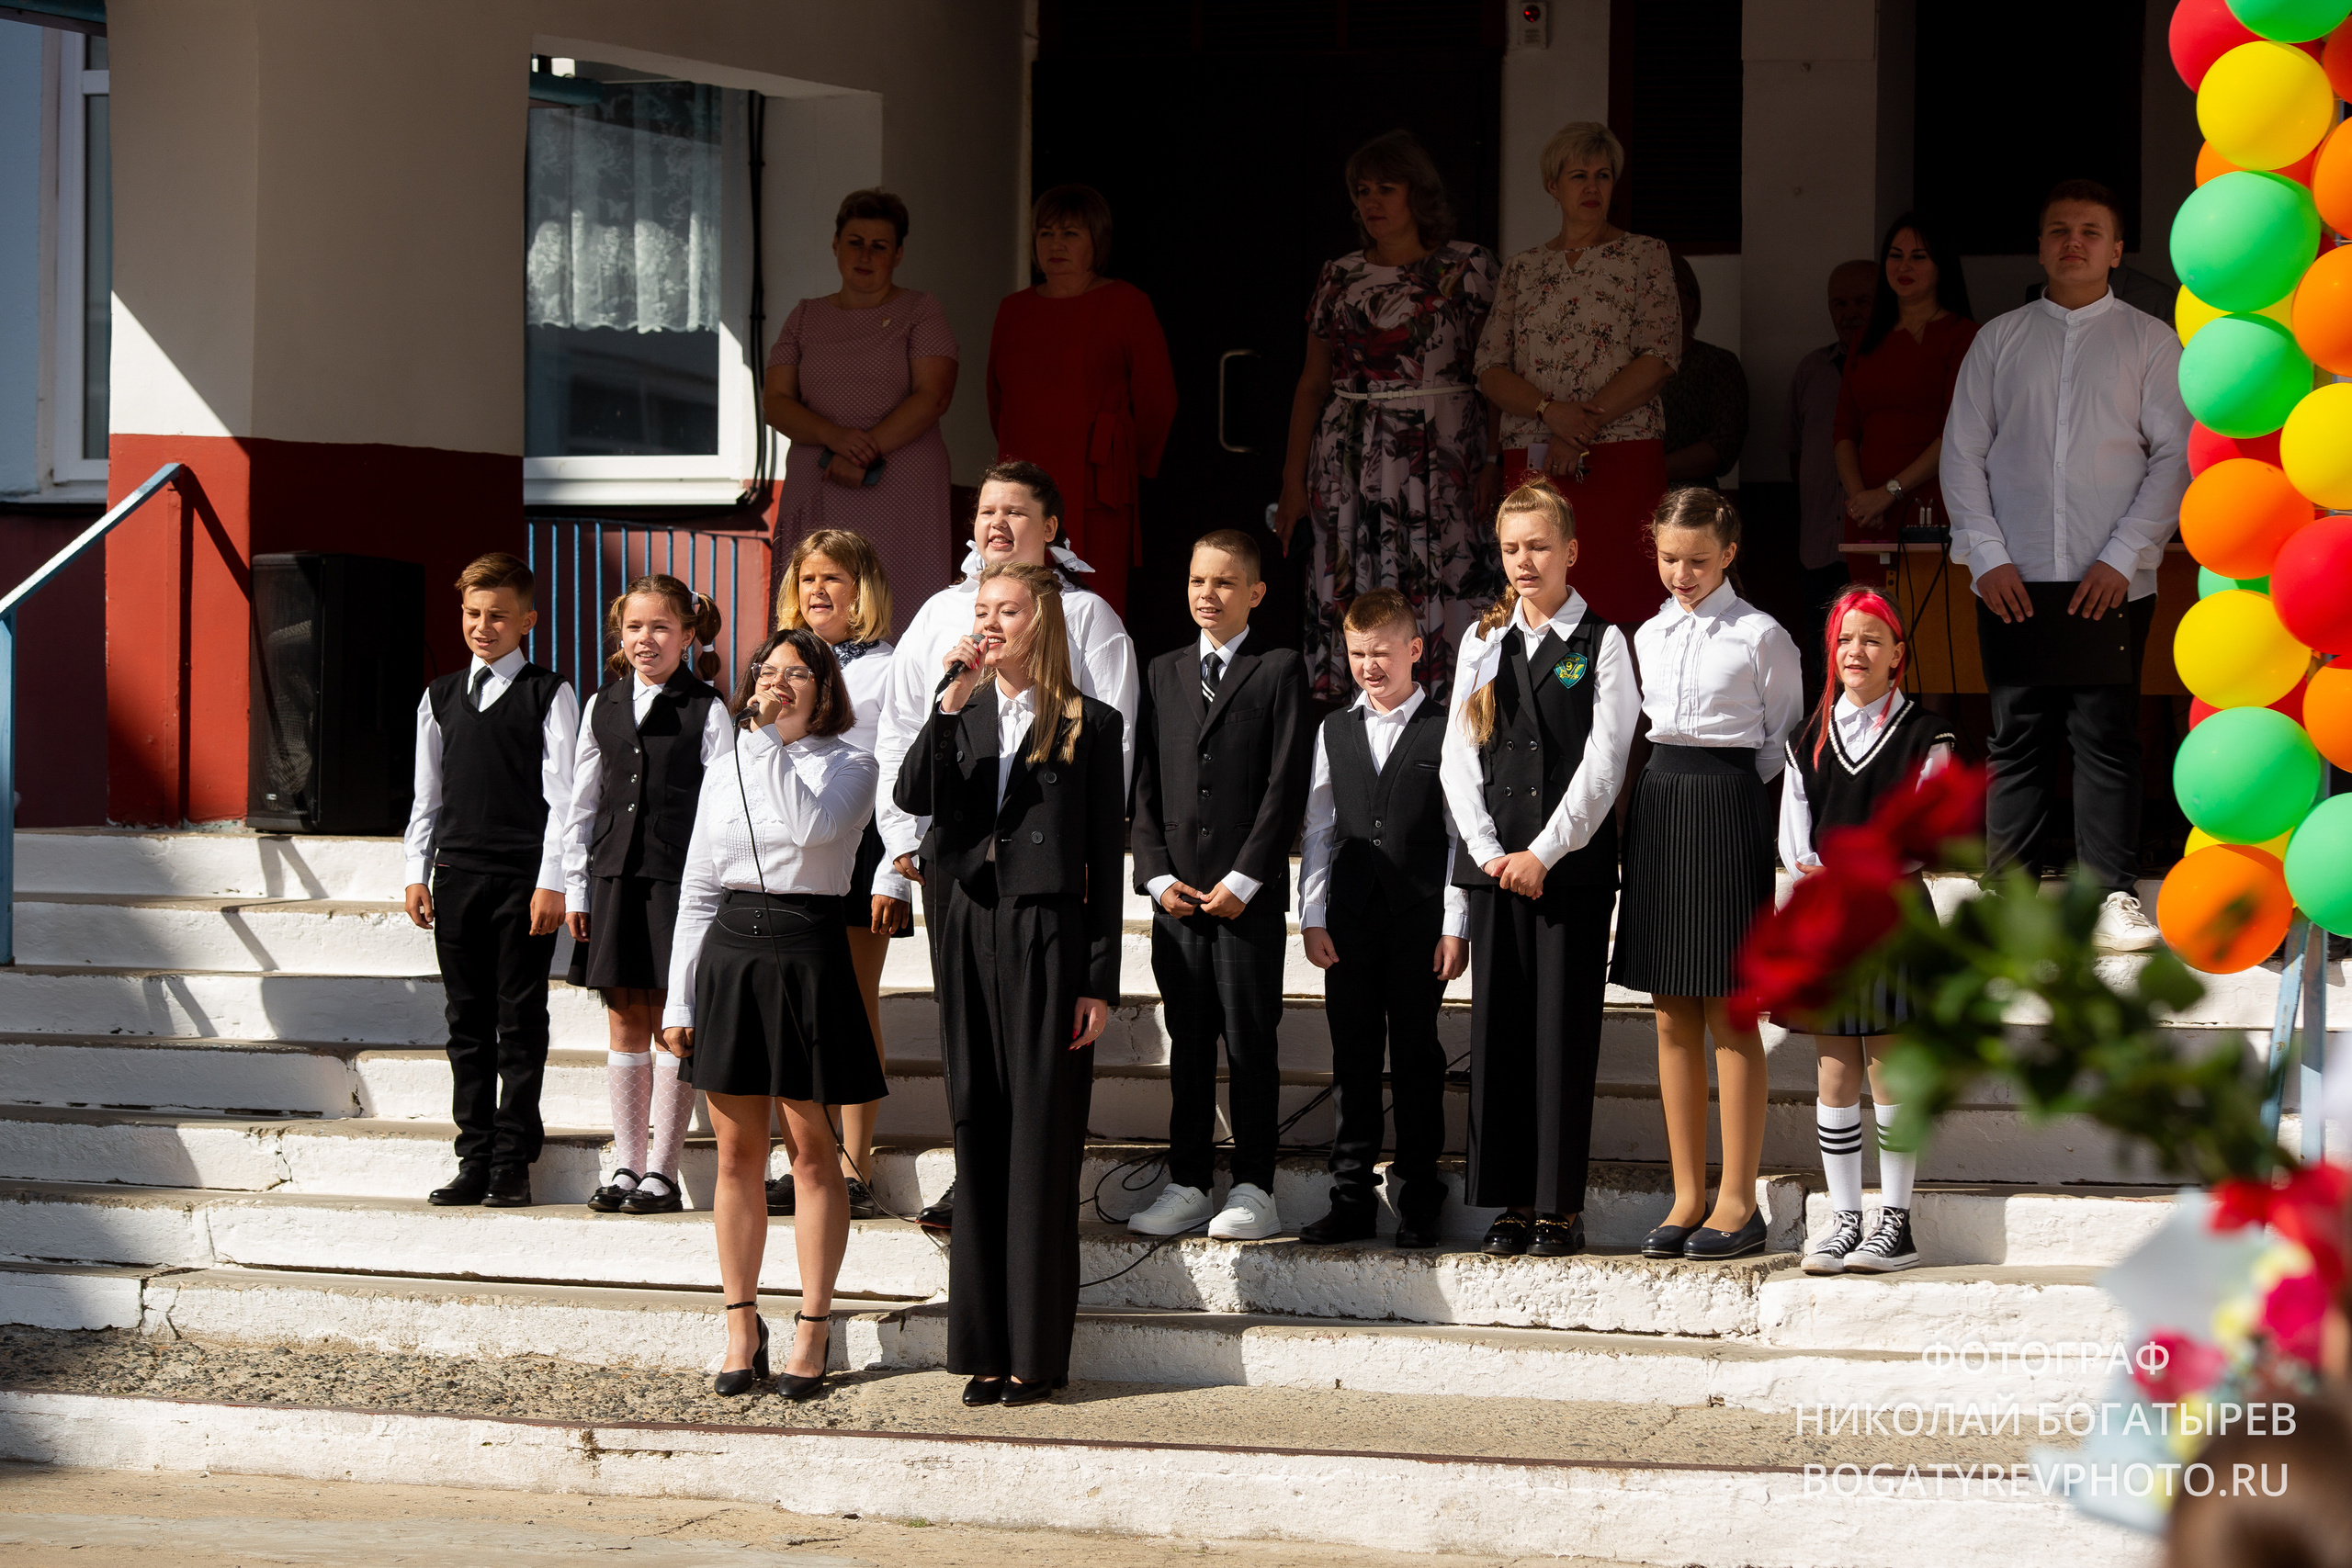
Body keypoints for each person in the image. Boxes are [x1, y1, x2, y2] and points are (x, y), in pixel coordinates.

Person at [871, 458, 1139, 1234]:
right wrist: (902, 843)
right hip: (953, 862)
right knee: (969, 1033)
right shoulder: (937, 617)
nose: (997, 523)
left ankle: (1032, 1182)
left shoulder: (1086, 618)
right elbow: (902, 731)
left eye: (1016, 512)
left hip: (1042, 869)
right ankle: (973, 1174)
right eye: (987, 510)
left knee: (1035, 1048)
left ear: (1051, 528)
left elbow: (1107, 752)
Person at [893, 561, 1125, 1407]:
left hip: (1050, 937)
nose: (990, 622)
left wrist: (1099, 978)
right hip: (968, 931)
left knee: (1040, 1142)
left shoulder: (1088, 723)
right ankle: (983, 1350)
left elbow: (1104, 855)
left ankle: (1037, 1352)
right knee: (979, 1133)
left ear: (1042, 621)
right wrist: (949, 701)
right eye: (981, 609)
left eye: (1007, 610)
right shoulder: (960, 711)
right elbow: (912, 792)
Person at [1941, 178, 2190, 952]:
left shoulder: (2151, 342)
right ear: (2041, 245)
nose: (2073, 242)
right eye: (2059, 230)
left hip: (2110, 576)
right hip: (2012, 574)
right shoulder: (2000, 339)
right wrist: (1986, 556)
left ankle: (2110, 892)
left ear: (2118, 249)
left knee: (2106, 732)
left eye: (2090, 231)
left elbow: (2174, 458)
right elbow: (1962, 453)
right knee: (2017, 734)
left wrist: (2123, 557)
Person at [662, 627, 884, 1400]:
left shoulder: (852, 765)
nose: (779, 682)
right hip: (731, 952)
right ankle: (740, 1323)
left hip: (808, 951)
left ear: (825, 690)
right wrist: (679, 995)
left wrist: (768, 743)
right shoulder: (724, 765)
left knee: (812, 1151)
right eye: (769, 670)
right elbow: (696, 887)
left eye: (798, 673)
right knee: (734, 1155)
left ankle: (814, 1326)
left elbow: (816, 830)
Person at [1441, 478, 1638, 1258]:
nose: (1525, 561)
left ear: (1571, 551)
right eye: (1513, 547)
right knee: (1502, 1032)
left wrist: (1544, 851)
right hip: (1496, 867)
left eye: (1540, 547)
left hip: (1568, 872)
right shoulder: (1482, 643)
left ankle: (1558, 1202)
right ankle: (1511, 1198)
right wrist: (1491, 850)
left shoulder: (1602, 642)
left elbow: (1606, 759)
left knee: (1561, 1032)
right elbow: (1459, 754)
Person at [1611, 489, 1803, 1261]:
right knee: (1668, 1007)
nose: (1681, 573)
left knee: (1729, 1006)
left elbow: (1778, 738)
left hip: (1728, 804)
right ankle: (1687, 1192)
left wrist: (1730, 793)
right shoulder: (1645, 634)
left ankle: (1737, 1197)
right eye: (1668, 558)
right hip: (1659, 799)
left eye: (1697, 559)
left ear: (1729, 554)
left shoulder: (1762, 635)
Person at [1126, 529, 1313, 1242]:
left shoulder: (1277, 669)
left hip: (1245, 900)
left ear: (1256, 593)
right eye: (1199, 581)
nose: (1209, 594)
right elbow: (1144, 781)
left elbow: (1284, 784)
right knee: (1189, 1038)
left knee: (1250, 1040)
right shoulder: (1163, 669)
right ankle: (1188, 1180)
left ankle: (1256, 1185)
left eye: (1226, 583)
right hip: (1178, 898)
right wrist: (1155, 874)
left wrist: (1248, 877)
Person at [1273, 130, 1501, 702]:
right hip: (1351, 460)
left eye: (1386, 188)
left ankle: (1453, 714)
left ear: (1418, 194)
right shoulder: (1340, 275)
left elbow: (1496, 374)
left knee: (1452, 580)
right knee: (1358, 583)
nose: (1371, 202)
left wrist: (1495, 460)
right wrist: (1292, 482)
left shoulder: (1468, 267)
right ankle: (1358, 726)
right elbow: (1311, 383)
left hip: (1443, 452)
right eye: (1362, 190)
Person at [1779, 589, 1958, 1277]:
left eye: (1873, 640)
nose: (1857, 651)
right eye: (1846, 639)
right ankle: (1845, 1218)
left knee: (1887, 1067)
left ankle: (1897, 1223)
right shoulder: (1808, 735)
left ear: (1898, 656)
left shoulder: (1926, 733)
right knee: (1834, 1068)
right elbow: (1796, 831)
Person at [405, 553, 580, 1211]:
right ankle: (473, 1154)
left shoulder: (548, 692)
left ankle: (513, 1158)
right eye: (473, 614)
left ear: (527, 620)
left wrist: (553, 880)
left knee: (520, 1017)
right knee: (466, 1021)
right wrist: (415, 871)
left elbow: (565, 798)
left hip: (520, 881)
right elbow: (428, 796)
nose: (484, 626)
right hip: (456, 876)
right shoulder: (440, 695)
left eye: (499, 615)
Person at [1296, 587, 1469, 1248]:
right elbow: (1319, 826)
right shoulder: (1333, 730)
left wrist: (1456, 922)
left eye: (1383, 652)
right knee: (1354, 1055)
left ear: (1415, 650)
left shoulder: (1445, 727)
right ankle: (1350, 1197)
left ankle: (1421, 1194)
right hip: (1349, 917)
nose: (1370, 665)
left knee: (1418, 1054)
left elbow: (1459, 833)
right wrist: (1312, 914)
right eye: (1358, 652)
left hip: (1420, 915)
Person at [561, 575, 733, 1217]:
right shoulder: (603, 703)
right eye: (634, 627)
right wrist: (575, 882)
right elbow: (581, 801)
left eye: (660, 626)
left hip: (677, 882)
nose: (645, 638)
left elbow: (723, 805)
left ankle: (663, 1168)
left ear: (688, 635)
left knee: (670, 1017)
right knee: (624, 1017)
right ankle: (628, 1160)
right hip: (613, 878)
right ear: (620, 633)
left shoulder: (706, 708)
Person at [1476, 121, 1680, 627]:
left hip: (1622, 453)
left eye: (1603, 175)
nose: (1592, 188)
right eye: (1578, 175)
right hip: (1537, 459)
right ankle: (1561, 702)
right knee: (1546, 596)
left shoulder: (1645, 255)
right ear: (1553, 185)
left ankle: (1625, 709)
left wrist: (1580, 427)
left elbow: (1660, 357)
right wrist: (1552, 414)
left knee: (1626, 592)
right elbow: (1488, 369)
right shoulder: (1522, 269)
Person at [769, 529, 902, 1222]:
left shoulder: (886, 666)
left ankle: (856, 1161)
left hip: (861, 845)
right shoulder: (781, 662)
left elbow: (898, 770)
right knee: (799, 1004)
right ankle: (808, 1158)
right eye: (808, 579)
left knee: (852, 1001)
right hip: (793, 842)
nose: (817, 591)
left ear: (863, 593)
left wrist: (892, 869)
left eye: (834, 580)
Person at [763, 188, 959, 630]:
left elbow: (934, 396)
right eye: (855, 242)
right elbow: (775, 403)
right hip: (820, 479)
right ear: (836, 246)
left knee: (899, 603)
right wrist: (836, 438)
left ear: (899, 253)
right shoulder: (804, 316)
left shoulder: (921, 310)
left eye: (879, 246)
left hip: (901, 485)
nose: (865, 255)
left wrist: (863, 452)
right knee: (813, 603)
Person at [985, 184, 1178, 617]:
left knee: (1094, 602)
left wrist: (1126, 461)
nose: (1055, 244)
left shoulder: (1127, 303)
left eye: (1070, 234)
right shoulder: (1013, 310)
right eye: (1046, 233)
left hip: (1096, 482)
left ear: (1098, 242)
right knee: (1016, 597)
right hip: (1023, 476)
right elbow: (996, 398)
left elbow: (1157, 400)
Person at [1833, 212, 1979, 590]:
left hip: (1932, 505)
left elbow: (1958, 431)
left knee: (1931, 630)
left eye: (1919, 256)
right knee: (1870, 626)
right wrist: (1860, 501)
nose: (1904, 266)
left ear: (1941, 265)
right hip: (1867, 514)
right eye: (1896, 256)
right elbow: (1844, 430)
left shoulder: (1964, 336)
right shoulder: (1864, 340)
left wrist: (1890, 492)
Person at [1787, 259, 1879, 691]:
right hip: (1818, 549)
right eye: (1839, 303)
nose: (1850, 312)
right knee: (1825, 666)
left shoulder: (1895, 367)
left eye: (1862, 301)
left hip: (1879, 544)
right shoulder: (1812, 370)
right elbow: (1796, 453)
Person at [1659, 254, 1749, 486]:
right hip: (1632, 498)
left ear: (1691, 302)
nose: (1658, 305)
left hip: (1692, 503)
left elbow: (1722, 446)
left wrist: (1650, 469)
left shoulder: (1717, 363)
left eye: (1668, 292)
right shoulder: (1624, 365)